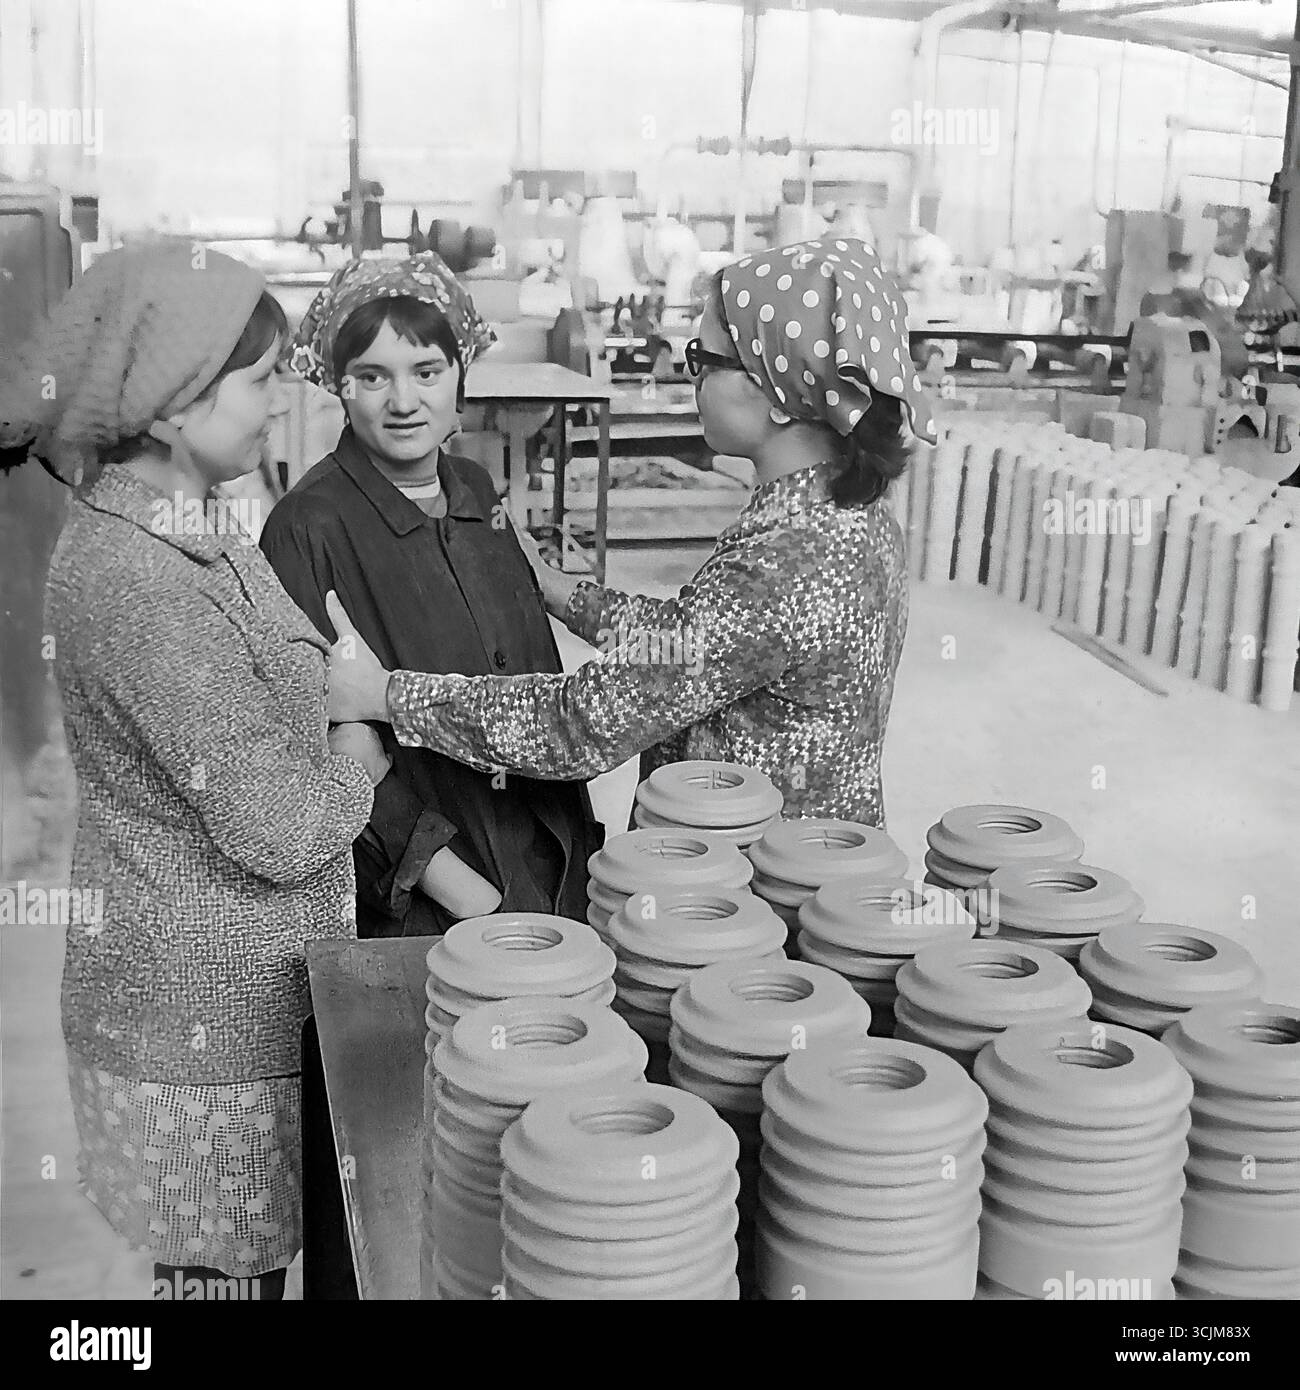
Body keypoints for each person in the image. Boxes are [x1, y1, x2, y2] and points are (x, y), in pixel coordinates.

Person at [0, 242, 378, 1300]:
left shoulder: (194, 517)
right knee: (218, 1286)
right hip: (194, 1029)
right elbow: (278, 826)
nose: (277, 401)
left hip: (245, 1001)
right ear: (171, 406)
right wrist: (363, 742)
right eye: (258, 379)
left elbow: (282, 660)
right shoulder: (139, 580)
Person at [324, 236, 937, 829]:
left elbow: (580, 724)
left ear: (781, 394)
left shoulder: (786, 564)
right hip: (819, 863)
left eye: (705, 360)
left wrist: (388, 696)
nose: (690, 376)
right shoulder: (846, 511)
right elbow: (693, 644)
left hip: (746, 897)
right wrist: (562, 592)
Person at [261, 253, 603, 939]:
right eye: (372, 377)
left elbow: (532, 678)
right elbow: (321, 750)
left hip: (550, 864)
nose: (404, 401)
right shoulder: (306, 528)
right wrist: (466, 894)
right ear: (337, 383)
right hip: (431, 908)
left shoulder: (476, 491)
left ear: (461, 375)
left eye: (427, 372)